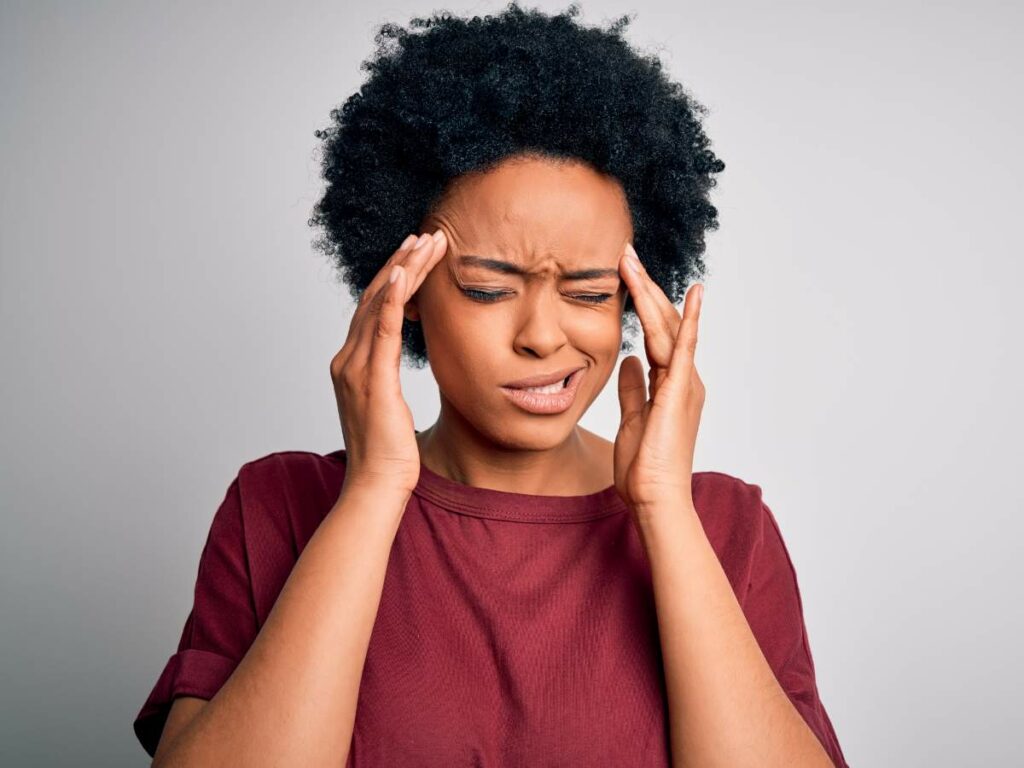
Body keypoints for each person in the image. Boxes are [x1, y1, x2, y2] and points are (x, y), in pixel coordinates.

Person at [133, 3, 849, 766]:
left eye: (589, 292)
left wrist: (665, 509)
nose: (544, 335)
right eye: (486, 288)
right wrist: (376, 488)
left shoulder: (725, 526)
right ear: (404, 292)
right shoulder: (279, 507)